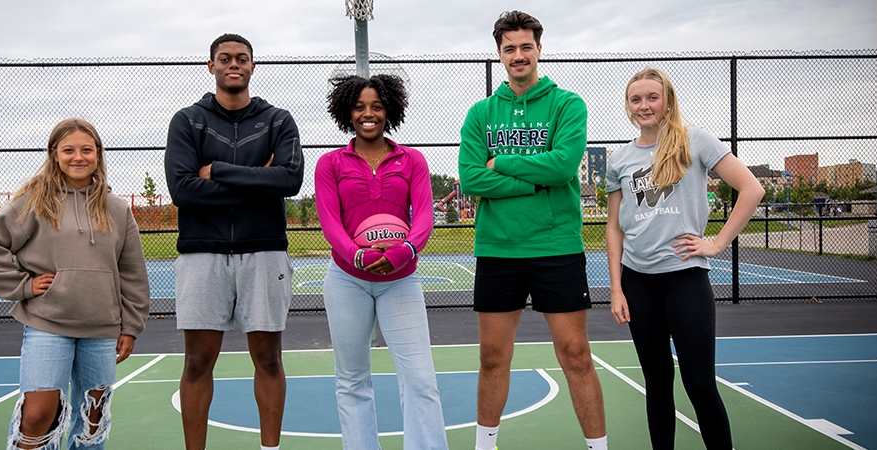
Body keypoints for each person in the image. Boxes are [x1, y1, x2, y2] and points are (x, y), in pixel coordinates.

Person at [457, 11, 608, 450]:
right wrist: (537, 178)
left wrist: (500, 163)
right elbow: (470, 178)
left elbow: (563, 166)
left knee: (576, 355)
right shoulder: (482, 112)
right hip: (498, 248)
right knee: (492, 358)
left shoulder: (567, 104)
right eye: (510, 49)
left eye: (526, 47)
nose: (518, 56)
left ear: (539, 49)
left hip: (555, 244)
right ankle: (486, 446)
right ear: (500, 54)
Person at [0, 118, 151, 450]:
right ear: (54, 154)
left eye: (86, 149)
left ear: (98, 154)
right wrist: (23, 285)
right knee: (38, 416)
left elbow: (132, 273)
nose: (78, 157)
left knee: (91, 421)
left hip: (102, 328)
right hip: (47, 324)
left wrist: (131, 326)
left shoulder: (118, 209)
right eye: (68, 150)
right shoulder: (36, 201)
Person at [606, 67, 764, 450]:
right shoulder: (620, 158)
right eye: (636, 99)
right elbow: (614, 227)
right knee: (657, 384)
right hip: (637, 282)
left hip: (684, 278)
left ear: (668, 101)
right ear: (628, 106)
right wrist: (616, 288)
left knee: (698, 384)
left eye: (652, 97)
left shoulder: (696, 141)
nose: (644, 105)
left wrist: (717, 242)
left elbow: (752, 188)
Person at [164, 33, 304, 450]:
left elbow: (290, 180)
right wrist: (259, 181)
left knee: (268, 359)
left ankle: (270, 448)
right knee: (197, 362)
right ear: (211, 66)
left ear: (252, 67)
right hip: (201, 253)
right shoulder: (187, 121)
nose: (233, 64)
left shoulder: (278, 120)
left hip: (263, 251)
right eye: (224, 58)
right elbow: (183, 190)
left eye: (242, 58)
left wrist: (218, 169)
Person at [314, 74, 449, 450]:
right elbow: (329, 220)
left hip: (401, 279)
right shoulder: (330, 163)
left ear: (390, 111)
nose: (368, 114)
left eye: (376, 106)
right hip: (347, 280)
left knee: (420, 378)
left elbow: (423, 216)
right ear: (347, 112)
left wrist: (404, 251)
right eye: (359, 107)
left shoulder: (412, 160)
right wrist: (357, 254)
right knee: (352, 379)